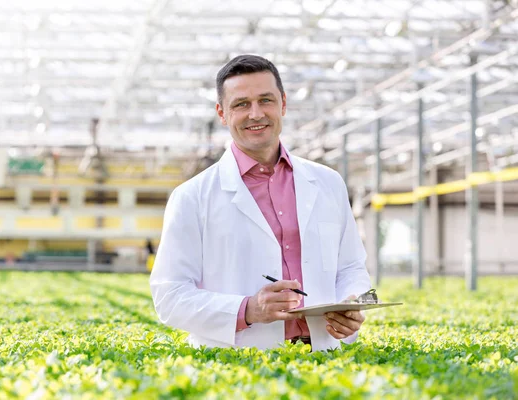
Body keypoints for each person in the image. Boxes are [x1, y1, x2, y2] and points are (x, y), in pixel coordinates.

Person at [150, 54, 371, 351]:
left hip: (324, 354)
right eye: (241, 104)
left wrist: (351, 303)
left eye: (265, 100)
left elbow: (351, 267)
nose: (255, 114)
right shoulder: (192, 197)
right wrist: (247, 310)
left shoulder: (328, 183)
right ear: (222, 113)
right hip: (238, 363)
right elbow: (169, 295)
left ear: (283, 103)